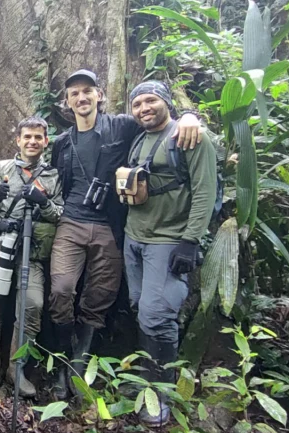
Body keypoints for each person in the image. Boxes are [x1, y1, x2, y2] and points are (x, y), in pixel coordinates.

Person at [48, 69, 202, 400]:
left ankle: (79, 362)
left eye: (87, 91)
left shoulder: (122, 126)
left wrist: (190, 116)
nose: (81, 97)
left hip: (111, 226)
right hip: (71, 223)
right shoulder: (61, 143)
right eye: (74, 93)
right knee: (61, 290)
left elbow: (159, 121)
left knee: (100, 296)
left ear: (99, 95)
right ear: (67, 102)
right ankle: (62, 361)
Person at [123, 80, 217, 425]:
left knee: (157, 315)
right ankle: (144, 382)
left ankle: (160, 394)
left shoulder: (189, 136)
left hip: (168, 240)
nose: (144, 109)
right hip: (134, 236)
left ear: (166, 102)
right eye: (137, 104)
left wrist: (190, 240)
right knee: (140, 308)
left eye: (151, 101)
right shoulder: (139, 138)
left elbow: (205, 190)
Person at [0, 116, 63, 399]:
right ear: (18, 140)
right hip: (0, 244)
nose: (32, 142)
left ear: (46, 141)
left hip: (33, 250)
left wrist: (44, 203)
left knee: (32, 305)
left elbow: (60, 214)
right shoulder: (2, 168)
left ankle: (16, 368)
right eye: (27, 136)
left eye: (38, 137)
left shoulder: (53, 175)